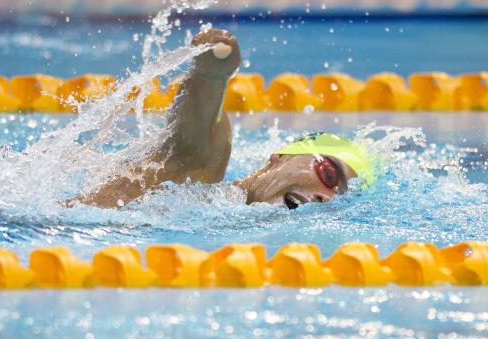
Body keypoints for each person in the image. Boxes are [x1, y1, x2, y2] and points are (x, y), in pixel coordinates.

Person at [70, 28, 376, 209]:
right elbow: (192, 146)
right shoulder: (203, 176)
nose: (327, 197)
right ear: (281, 157)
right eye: (330, 175)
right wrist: (212, 75)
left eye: (339, 196)